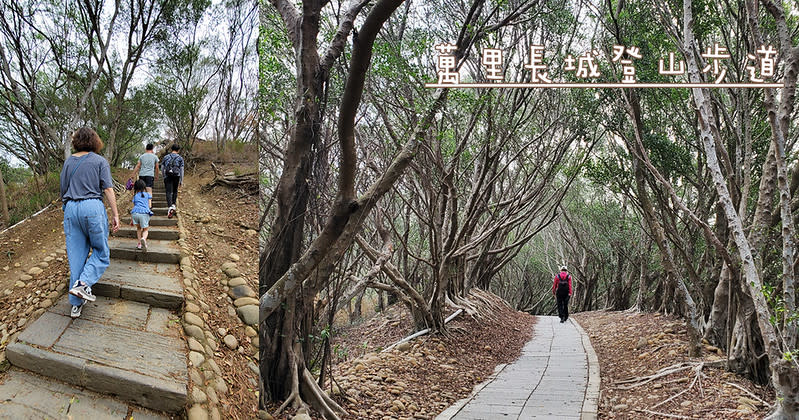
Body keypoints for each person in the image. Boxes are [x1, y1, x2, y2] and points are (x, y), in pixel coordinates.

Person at [60, 127, 120, 318]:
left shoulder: (69, 162)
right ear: (94, 141)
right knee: (101, 252)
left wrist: (68, 208)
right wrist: (116, 215)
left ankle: (75, 305)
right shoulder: (99, 161)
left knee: (76, 258)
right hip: (92, 207)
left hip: (71, 209)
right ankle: (83, 284)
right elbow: (108, 190)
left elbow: (63, 190)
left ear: (76, 141)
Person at [160, 143, 184, 218]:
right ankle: (173, 204)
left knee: (168, 192)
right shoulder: (180, 158)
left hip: (168, 176)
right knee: (175, 191)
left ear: (171, 149)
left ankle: (170, 207)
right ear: (178, 150)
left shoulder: (166, 157)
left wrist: (164, 176)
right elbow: (181, 170)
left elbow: (162, 168)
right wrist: (181, 180)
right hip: (176, 176)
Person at [130, 179, 154, 251]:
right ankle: (143, 238)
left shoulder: (135, 196)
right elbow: (149, 206)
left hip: (135, 214)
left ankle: (139, 244)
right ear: (144, 187)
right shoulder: (147, 195)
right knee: (146, 229)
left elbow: (134, 207)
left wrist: (132, 220)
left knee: (138, 228)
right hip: (144, 213)